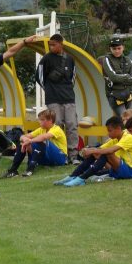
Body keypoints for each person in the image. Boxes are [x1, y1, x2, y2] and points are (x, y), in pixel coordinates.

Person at [53, 116, 132, 187]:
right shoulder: (116, 138)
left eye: (110, 131)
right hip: (121, 169)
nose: (108, 134)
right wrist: (88, 150)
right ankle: (73, 176)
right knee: (98, 152)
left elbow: (110, 150)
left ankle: (81, 178)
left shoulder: (128, 137)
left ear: (118, 129)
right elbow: (100, 149)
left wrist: (92, 151)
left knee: (106, 153)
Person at [35, 34, 80, 165]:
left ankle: (74, 155)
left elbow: (73, 77)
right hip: (53, 98)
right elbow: (39, 77)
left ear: (61, 44)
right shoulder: (46, 59)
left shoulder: (70, 59)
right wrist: (49, 89)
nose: (51, 47)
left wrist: (66, 89)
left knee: (72, 125)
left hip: (68, 97)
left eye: (54, 44)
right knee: (57, 125)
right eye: (50, 45)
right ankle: (61, 154)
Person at [0, 109, 67, 178]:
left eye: (42, 120)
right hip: (47, 159)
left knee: (41, 140)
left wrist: (29, 141)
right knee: (25, 141)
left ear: (50, 120)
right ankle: (13, 170)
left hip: (60, 158)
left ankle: (30, 169)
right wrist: (24, 140)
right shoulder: (41, 129)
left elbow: (44, 137)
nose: (39, 122)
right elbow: (25, 136)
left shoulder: (56, 129)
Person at [102, 37, 132, 117]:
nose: (117, 51)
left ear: (123, 47)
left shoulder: (128, 60)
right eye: (114, 48)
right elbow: (113, 77)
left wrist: (119, 78)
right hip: (114, 95)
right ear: (110, 48)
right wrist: (127, 76)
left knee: (130, 119)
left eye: (119, 48)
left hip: (128, 94)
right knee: (126, 118)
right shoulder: (107, 60)